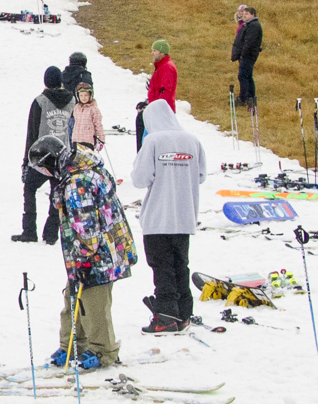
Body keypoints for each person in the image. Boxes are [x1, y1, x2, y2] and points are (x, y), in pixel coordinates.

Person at [36, 133, 135, 369]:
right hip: (94, 252)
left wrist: (83, 261)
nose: (45, 175)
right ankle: (72, 344)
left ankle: (102, 351)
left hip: (98, 255)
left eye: (43, 170)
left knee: (94, 305)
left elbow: (87, 231)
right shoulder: (82, 167)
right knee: (73, 298)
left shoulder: (77, 183)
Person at [131, 99, 204, 333]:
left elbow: (140, 178)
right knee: (181, 264)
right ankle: (183, 313)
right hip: (184, 215)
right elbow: (201, 175)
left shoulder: (153, 141)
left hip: (158, 217)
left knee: (161, 266)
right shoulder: (193, 141)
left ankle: (165, 314)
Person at [16, 67, 75, 243]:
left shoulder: (40, 101)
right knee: (57, 194)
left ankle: (29, 231)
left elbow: (32, 132)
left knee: (30, 188)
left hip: (42, 157)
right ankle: (51, 234)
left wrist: (27, 161)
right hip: (63, 157)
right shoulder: (72, 101)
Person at [139, 39, 178, 151]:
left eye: (155, 50)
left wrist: (156, 107)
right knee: (148, 142)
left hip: (161, 113)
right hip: (156, 110)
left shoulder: (167, 67)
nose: (152, 53)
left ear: (162, 52)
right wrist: (148, 102)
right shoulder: (161, 66)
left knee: (149, 143)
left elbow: (165, 91)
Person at [231, 4, 263, 109]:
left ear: (252, 15)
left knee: (243, 76)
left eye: (247, 14)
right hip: (246, 55)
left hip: (248, 56)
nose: (244, 15)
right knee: (247, 76)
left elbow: (249, 43)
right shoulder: (248, 24)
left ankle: (244, 98)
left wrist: (243, 54)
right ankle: (250, 97)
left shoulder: (253, 25)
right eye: (243, 13)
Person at [70, 83, 103, 148]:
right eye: (81, 95)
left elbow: (98, 125)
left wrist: (101, 139)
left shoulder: (93, 109)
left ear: (90, 95)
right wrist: (73, 139)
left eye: (86, 95)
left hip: (88, 141)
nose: (83, 98)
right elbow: (76, 124)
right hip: (77, 140)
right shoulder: (76, 108)